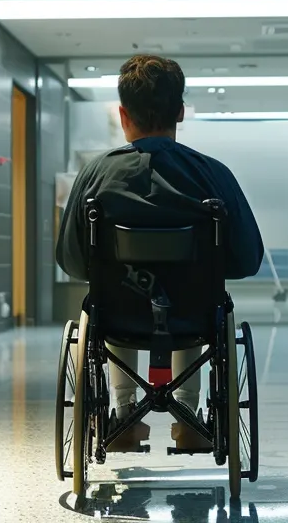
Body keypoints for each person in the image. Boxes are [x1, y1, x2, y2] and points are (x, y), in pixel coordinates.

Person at [56, 54, 265, 452]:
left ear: (122, 114)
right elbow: (246, 259)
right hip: (194, 317)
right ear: (181, 112)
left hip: (118, 317)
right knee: (197, 294)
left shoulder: (95, 175)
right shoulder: (213, 175)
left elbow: (70, 260)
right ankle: (189, 422)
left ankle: (121, 416)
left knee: (109, 293)